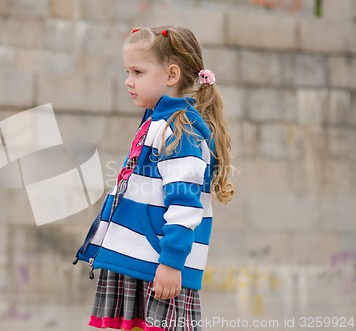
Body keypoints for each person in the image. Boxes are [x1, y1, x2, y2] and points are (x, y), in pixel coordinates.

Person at [73, 25, 235, 331]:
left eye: (137, 72)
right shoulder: (156, 123)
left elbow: (185, 204)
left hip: (157, 269)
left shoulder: (179, 129)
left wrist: (172, 263)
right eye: (128, 71)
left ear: (171, 76)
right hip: (135, 262)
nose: (128, 81)